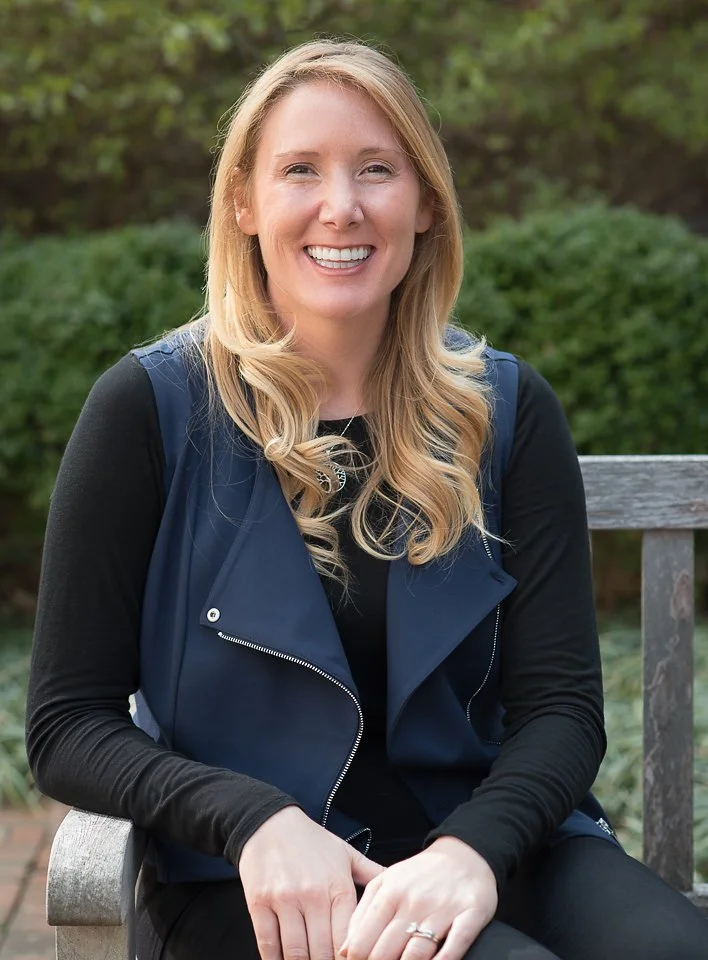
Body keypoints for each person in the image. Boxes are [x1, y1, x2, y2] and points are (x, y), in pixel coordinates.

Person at [25, 38, 708, 960]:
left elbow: (561, 710)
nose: (340, 207)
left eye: (377, 170)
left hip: (488, 844)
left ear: (425, 204)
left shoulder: (506, 410)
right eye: (300, 169)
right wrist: (250, 818)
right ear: (244, 200)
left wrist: (474, 847)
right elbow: (69, 724)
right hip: (263, 882)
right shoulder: (149, 409)